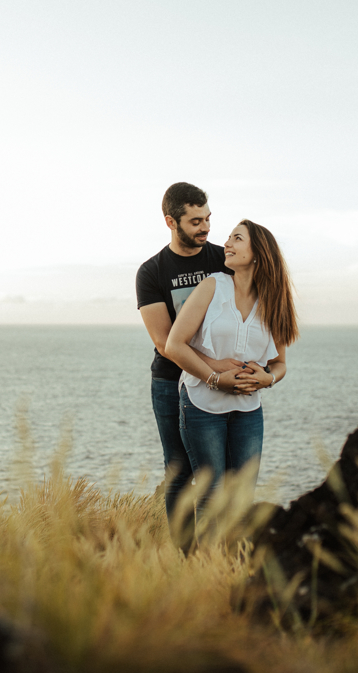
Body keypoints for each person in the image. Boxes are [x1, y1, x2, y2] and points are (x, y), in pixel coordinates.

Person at [164, 219, 298, 520]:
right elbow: (175, 344)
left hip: (249, 411)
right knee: (212, 497)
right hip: (202, 405)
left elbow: (280, 364)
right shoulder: (212, 286)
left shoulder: (273, 301)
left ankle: (233, 566)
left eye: (237, 239)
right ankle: (206, 567)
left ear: (258, 253)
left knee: (242, 498)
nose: (226, 244)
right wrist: (214, 379)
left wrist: (268, 379)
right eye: (228, 238)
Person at [136, 183, 239, 544]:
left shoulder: (221, 261)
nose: (206, 227)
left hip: (221, 382)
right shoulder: (151, 272)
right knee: (179, 472)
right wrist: (214, 371)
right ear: (171, 221)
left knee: (219, 472)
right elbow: (164, 342)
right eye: (195, 221)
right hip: (169, 383)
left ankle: (219, 553)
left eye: (208, 218)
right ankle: (185, 555)